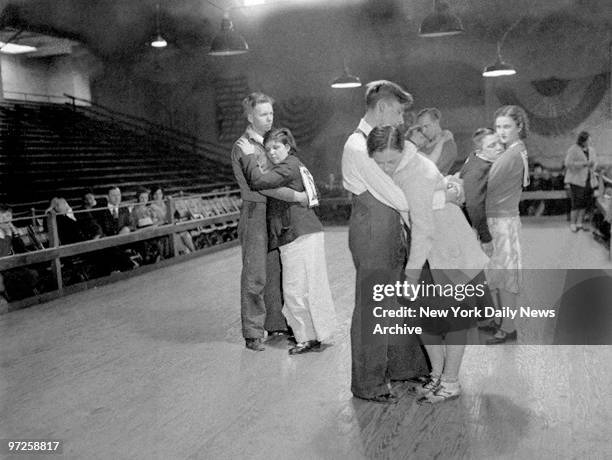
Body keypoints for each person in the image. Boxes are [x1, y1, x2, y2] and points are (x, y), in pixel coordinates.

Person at [368, 125, 491, 404]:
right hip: (428, 251)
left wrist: (410, 276)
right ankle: (437, 375)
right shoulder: (401, 166)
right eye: (380, 162)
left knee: (455, 319)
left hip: (449, 248)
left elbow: (423, 229)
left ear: (403, 151)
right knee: (424, 317)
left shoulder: (416, 172)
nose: (386, 167)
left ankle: (450, 382)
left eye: (391, 160)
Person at [341, 80, 429, 404]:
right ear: (381, 108)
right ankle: (368, 383)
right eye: (398, 112)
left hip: (390, 230)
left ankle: (404, 368)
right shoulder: (355, 145)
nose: (402, 120)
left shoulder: (384, 143)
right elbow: (396, 194)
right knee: (374, 307)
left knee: (397, 302)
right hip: (372, 233)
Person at [240, 127, 337, 354]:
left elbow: (259, 181)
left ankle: (307, 337)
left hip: (298, 233)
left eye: (276, 147)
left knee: (294, 289)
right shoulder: (297, 164)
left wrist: (248, 158)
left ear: (287, 147)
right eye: (268, 148)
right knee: (309, 287)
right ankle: (315, 335)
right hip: (304, 231)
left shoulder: (289, 165)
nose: (272, 152)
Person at [231, 92, 307, 351]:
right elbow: (258, 181)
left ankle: (276, 324)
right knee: (255, 274)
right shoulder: (244, 147)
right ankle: (252, 332)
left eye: (271, 113)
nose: (269, 118)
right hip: (255, 212)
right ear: (251, 116)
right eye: (263, 114)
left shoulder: (269, 143)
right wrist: (298, 195)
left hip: (276, 212)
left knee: (277, 271)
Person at [485, 105, 530, 345]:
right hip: (501, 219)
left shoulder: (512, 154)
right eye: (498, 127)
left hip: (503, 220)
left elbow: (487, 183)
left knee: (506, 278)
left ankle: (508, 327)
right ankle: (502, 322)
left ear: (519, 127)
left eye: (507, 126)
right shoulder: (514, 150)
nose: (501, 131)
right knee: (499, 276)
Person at [459, 128, 504, 257]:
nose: (499, 148)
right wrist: (486, 238)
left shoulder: (478, 158)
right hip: (472, 228)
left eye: (500, 143)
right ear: (480, 151)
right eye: (492, 146)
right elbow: (474, 205)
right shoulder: (478, 171)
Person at [564, 131, 598, 232]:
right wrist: (584, 164)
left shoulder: (591, 150)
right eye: (588, 139)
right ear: (583, 140)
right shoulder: (573, 149)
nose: (590, 141)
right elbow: (568, 163)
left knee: (584, 202)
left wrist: (593, 165)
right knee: (577, 202)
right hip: (576, 180)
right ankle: (572, 223)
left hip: (588, 180)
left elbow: (595, 161)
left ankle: (580, 223)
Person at [416, 108, 458, 175]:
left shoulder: (449, 145)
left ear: (436, 122)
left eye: (426, 126)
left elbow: (432, 170)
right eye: (421, 128)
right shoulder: (422, 145)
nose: (423, 131)